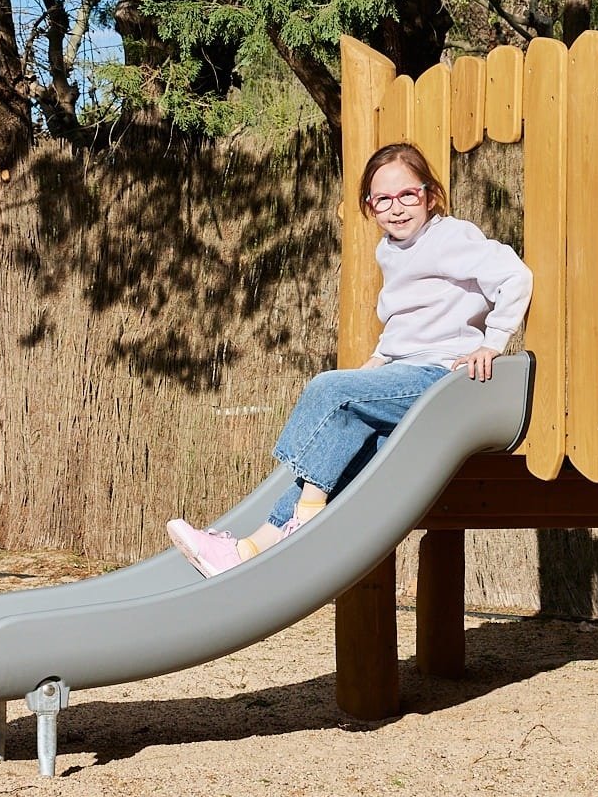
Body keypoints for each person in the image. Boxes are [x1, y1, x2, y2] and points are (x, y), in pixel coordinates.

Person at [167, 142, 532, 577]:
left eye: (407, 195)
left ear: (430, 195)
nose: (396, 208)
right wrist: (378, 359)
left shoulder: (450, 237)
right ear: (369, 207)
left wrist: (493, 342)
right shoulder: (389, 249)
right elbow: (403, 321)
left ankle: (308, 518)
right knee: (343, 437)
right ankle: (248, 549)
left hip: (441, 377)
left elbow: (515, 276)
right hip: (403, 372)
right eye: (383, 200)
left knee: (330, 389)